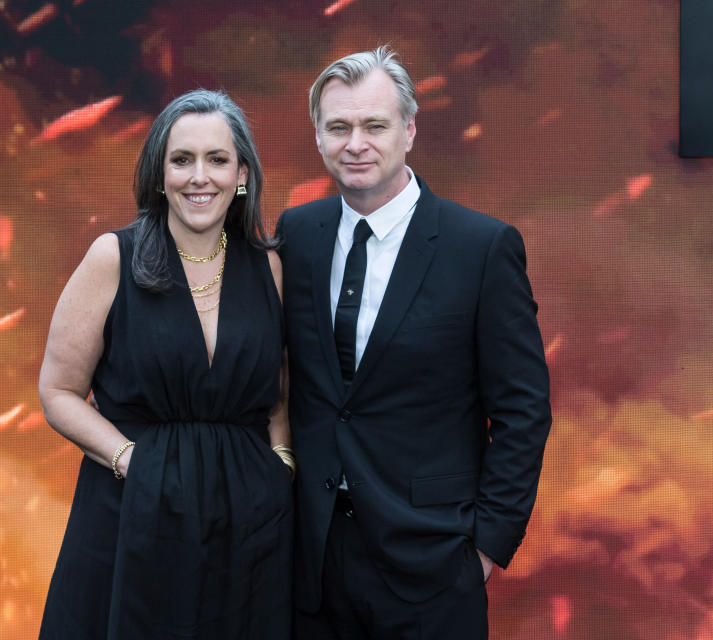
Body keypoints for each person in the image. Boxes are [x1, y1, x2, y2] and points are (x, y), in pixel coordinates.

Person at [275, 47, 552, 639]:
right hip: (311, 561)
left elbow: (523, 411)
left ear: (409, 129)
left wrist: (484, 548)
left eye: (374, 125)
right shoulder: (296, 234)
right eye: (338, 127)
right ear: (319, 136)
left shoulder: (482, 248)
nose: (356, 143)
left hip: (433, 564)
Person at [37, 89, 294, 639]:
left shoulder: (270, 267)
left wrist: (281, 462)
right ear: (159, 174)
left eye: (217, 160)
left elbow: (279, 391)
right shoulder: (113, 257)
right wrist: (131, 460)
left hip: (247, 522)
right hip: (131, 510)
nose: (199, 177)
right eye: (182, 160)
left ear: (242, 173)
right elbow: (58, 392)